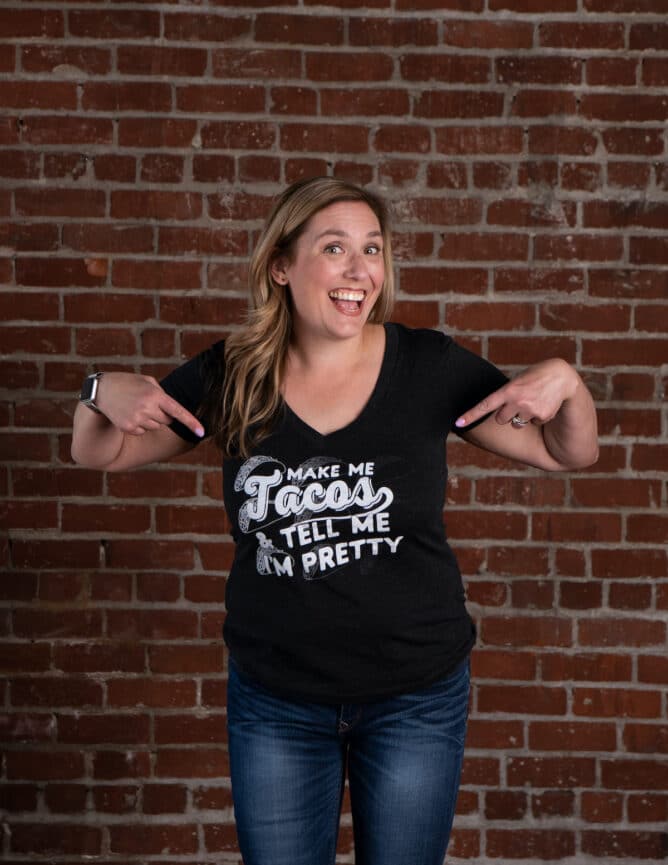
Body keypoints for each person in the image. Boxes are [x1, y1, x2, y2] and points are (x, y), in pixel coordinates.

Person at [71, 177, 598, 865]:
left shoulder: (428, 367)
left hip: (415, 695)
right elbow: (100, 448)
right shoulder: (234, 375)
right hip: (277, 701)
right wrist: (95, 389)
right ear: (281, 266)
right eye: (334, 247)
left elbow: (566, 450)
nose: (360, 270)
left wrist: (570, 380)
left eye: (372, 249)